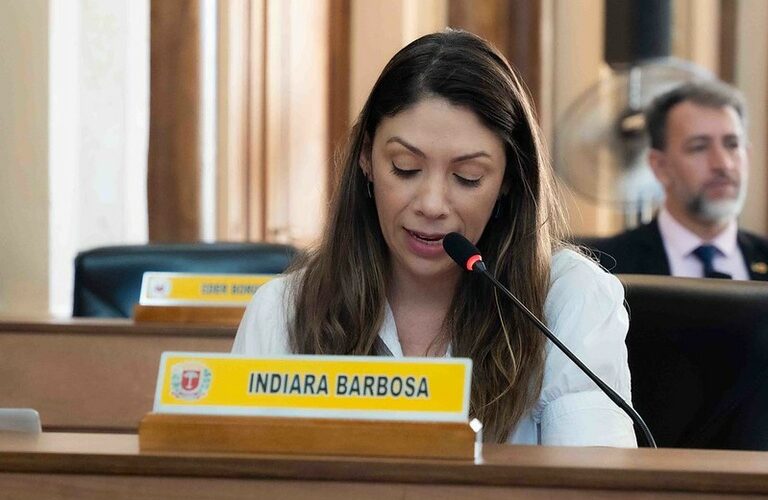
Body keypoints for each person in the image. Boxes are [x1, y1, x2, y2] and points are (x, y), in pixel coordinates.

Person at [233, 30, 636, 446]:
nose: (431, 204)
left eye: (468, 177)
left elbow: (593, 478)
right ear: (366, 159)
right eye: (405, 168)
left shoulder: (567, 297)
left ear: (508, 182)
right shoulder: (282, 311)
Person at [590, 80, 768, 280]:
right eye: (699, 147)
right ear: (660, 166)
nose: (723, 164)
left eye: (732, 145)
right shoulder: (605, 266)